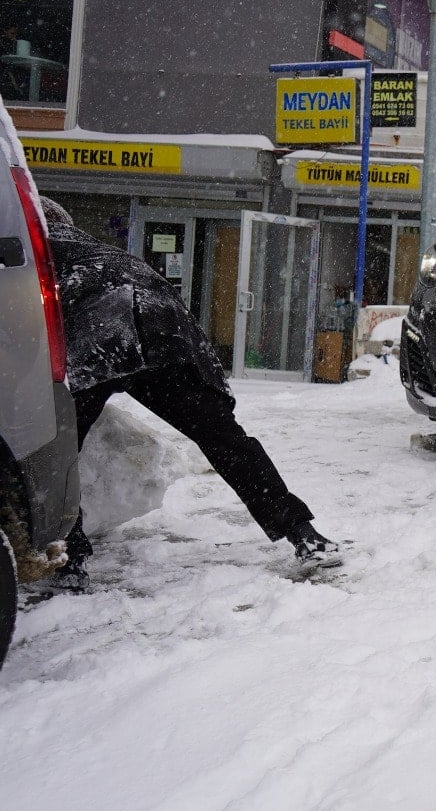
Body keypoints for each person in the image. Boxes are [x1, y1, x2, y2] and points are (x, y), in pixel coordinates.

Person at [37, 197, 342, 577]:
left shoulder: (36, 253)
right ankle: (304, 535)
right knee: (225, 440)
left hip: (98, 341)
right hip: (163, 335)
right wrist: (212, 396)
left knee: (58, 454)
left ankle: (70, 560)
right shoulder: (100, 250)